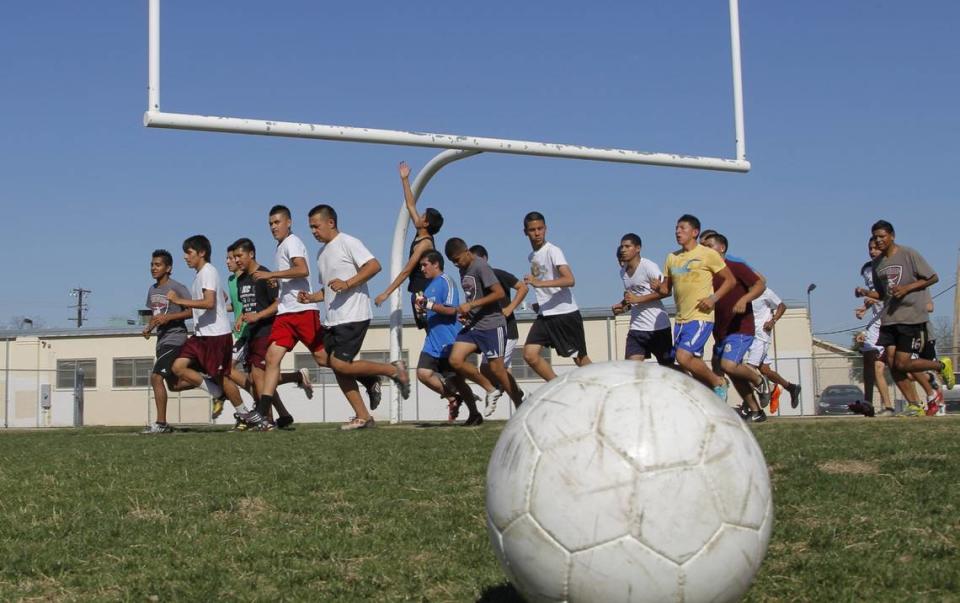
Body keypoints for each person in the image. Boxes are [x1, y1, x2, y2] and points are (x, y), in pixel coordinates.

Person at [297, 204, 411, 430]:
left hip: (353, 315)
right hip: (332, 319)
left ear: (330, 223)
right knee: (323, 359)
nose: (313, 232)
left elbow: (374, 265)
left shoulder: (348, 242)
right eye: (310, 228)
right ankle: (363, 415)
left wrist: (348, 283)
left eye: (316, 226)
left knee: (340, 364)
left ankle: (393, 370)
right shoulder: (321, 254)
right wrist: (311, 298)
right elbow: (329, 289)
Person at [166, 235, 268, 429]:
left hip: (215, 336)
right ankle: (218, 393)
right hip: (201, 335)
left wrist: (179, 301)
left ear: (202, 253)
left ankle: (246, 414)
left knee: (223, 376)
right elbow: (217, 298)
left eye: (189, 253)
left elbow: (209, 302)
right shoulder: (200, 275)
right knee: (178, 368)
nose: (185, 257)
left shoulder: (208, 272)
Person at [863, 220, 954, 416]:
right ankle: (914, 404)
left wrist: (906, 288)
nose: (878, 241)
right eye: (875, 237)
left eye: (882, 236)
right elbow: (882, 293)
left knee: (903, 363)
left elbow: (932, 277)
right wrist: (866, 294)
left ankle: (941, 365)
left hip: (910, 317)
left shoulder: (908, 254)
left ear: (892, 236)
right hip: (889, 318)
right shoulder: (877, 264)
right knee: (892, 364)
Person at [233, 238, 313, 430]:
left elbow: (279, 303)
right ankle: (283, 414)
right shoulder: (241, 279)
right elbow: (249, 304)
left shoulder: (267, 275)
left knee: (258, 376)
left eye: (239, 256)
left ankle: (266, 420)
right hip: (252, 332)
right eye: (234, 257)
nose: (236, 260)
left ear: (251, 254)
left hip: (266, 330)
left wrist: (258, 315)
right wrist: (242, 316)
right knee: (259, 378)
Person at [439, 238, 525, 416]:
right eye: (452, 262)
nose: (456, 264)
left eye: (457, 259)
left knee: (497, 370)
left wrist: (471, 305)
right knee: (455, 359)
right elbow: (473, 295)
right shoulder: (463, 269)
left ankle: (521, 407)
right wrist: (467, 311)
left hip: (492, 325)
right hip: (475, 325)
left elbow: (499, 293)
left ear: (466, 251)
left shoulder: (481, 267)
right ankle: (490, 389)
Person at [657, 215, 735, 399]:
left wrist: (713, 298)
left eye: (682, 228)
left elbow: (730, 280)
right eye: (676, 228)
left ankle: (718, 382)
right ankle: (707, 396)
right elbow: (666, 290)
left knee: (683, 357)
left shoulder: (707, 254)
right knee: (688, 363)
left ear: (695, 232)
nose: (677, 232)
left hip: (701, 316)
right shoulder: (671, 257)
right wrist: (657, 287)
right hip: (680, 319)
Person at [701, 233, 770, 422]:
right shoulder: (705, 272)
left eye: (708, 245)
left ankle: (758, 380)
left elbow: (760, 284)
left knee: (728, 365)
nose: (703, 249)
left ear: (721, 248)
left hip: (741, 327)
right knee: (731, 371)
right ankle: (756, 411)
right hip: (721, 330)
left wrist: (744, 298)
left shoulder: (734, 266)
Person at [374, 161, 445, 330]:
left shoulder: (424, 244)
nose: (419, 215)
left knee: (431, 327)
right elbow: (410, 205)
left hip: (424, 292)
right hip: (418, 291)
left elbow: (407, 270)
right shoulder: (420, 232)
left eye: (423, 215)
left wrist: (386, 293)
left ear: (426, 223)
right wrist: (405, 180)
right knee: (427, 328)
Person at [415, 250, 483, 425]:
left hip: (449, 340)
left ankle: (474, 414)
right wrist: (422, 311)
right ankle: (453, 398)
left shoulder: (447, 281)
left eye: (425, 265)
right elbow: (431, 310)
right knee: (422, 373)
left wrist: (428, 304)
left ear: (436, 264)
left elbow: (453, 310)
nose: (422, 269)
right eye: (421, 265)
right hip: (432, 340)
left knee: (457, 380)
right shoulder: (428, 286)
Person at [521, 211, 591, 381]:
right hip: (546, 314)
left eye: (540, 229)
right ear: (525, 232)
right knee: (530, 354)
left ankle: (602, 386)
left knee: (580, 359)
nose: (537, 233)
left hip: (564, 313)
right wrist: (540, 302)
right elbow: (546, 280)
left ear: (546, 229)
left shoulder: (553, 251)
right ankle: (557, 387)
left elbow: (569, 279)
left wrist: (539, 284)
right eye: (532, 230)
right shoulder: (532, 256)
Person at [141, 249, 193, 434]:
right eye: (152, 265)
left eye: (158, 265)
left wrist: (170, 318)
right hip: (161, 340)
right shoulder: (152, 289)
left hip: (176, 338)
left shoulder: (177, 287)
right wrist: (149, 327)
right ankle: (212, 382)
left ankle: (161, 423)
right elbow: (157, 316)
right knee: (174, 385)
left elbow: (192, 311)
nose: (153, 268)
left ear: (168, 268)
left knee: (156, 377)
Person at [469, 244, 528, 399]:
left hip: (507, 331)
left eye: (477, 260)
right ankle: (515, 392)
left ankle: (519, 395)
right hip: (488, 330)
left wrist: (510, 308)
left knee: (496, 368)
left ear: (485, 259)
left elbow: (522, 288)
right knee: (486, 369)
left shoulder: (497, 274)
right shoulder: (473, 280)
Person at [610, 233, 672, 365]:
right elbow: (632, 297)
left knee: (668, 368)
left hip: (657, 327)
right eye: (622, 247)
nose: (623, 250)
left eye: (627, 246)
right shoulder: (623, 272)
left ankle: (693, 380)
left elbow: (666, 292)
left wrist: (638, 299)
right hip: (637, 328)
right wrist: (622, 306)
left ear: (638, 248)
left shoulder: (648, 266)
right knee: (631, 369)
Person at [854, 238, 894, 416]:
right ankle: (869, 404)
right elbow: (876, 294)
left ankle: (932, 375)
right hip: (877, 322)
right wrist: (865, 306)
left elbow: (888, 295)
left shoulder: (890, 268)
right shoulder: (869, 269)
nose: (872, 251)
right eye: (870, 248)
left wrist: (867, 295)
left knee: (901, 366)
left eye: (875, 248)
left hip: (894, 318)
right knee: (870, 359)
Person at [746, 286, 802, 412]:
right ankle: (791, 388)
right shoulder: (742, 291)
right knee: (765, 370)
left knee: (748, 371)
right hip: (749, 335)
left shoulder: (764, 291)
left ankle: (751, 407)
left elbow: (782, 306)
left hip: (761, 336)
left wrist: (773, 321)